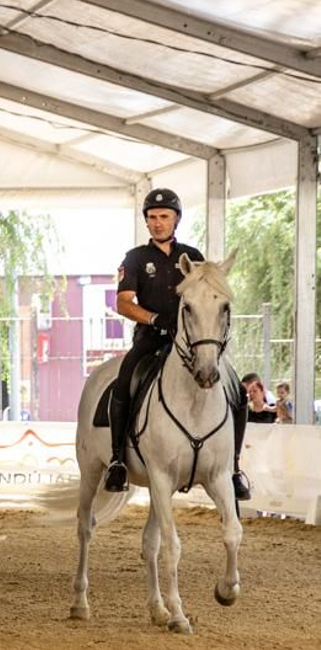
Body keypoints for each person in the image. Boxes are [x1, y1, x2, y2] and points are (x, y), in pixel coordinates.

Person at [104, 187, 250, 499]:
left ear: (176, 219)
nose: (158, 223)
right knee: (124, 381)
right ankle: (117, 460)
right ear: (147, 222)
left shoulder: (194, 257)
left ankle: (234, 467)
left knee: (238, 391)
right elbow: (123, 303)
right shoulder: (135, 259)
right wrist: (155, 319)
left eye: (164, 217)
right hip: (150, 340)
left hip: (194, 342)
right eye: (152, 217)